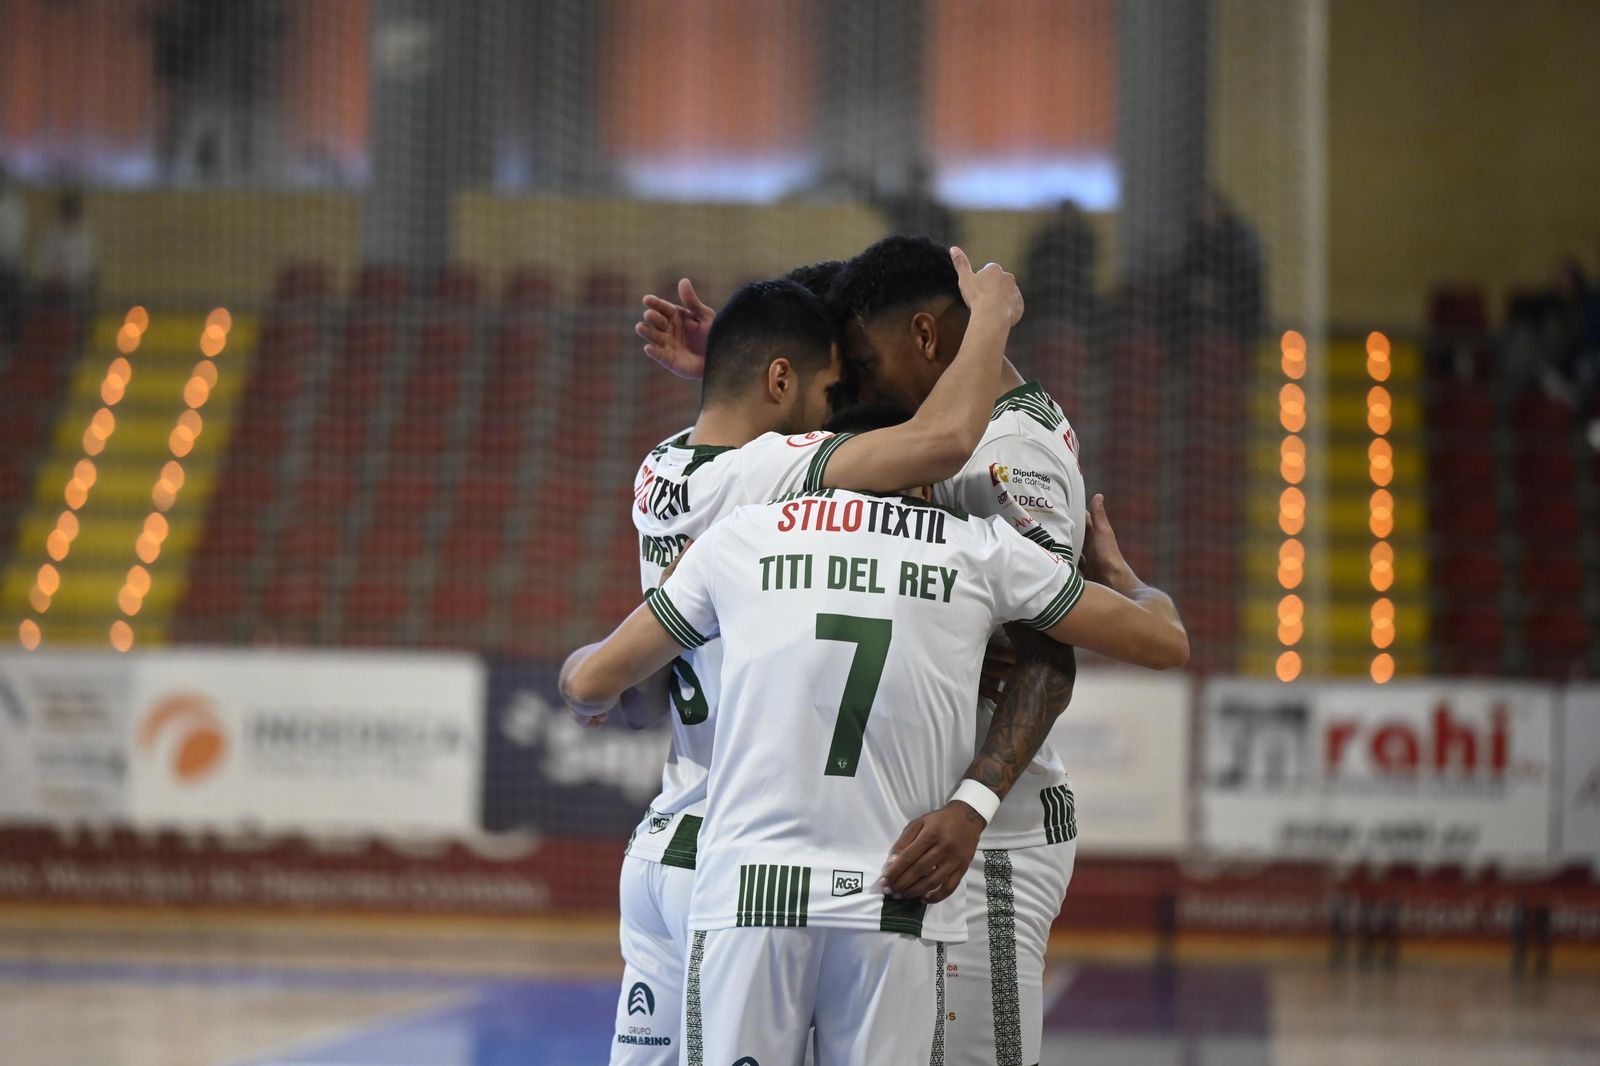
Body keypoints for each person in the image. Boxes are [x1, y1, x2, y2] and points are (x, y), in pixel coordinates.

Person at [637, 234, 1100, 1066]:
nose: (852, 389)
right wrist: (751, 371)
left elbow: (1045, 659)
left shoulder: (1007, 450)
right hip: (900, 844)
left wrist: (975, 807)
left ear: (926, 339)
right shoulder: (926, 432)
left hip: (985, 838)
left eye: (856, 364)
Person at [560, 475, 1185, 1064]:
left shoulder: (743, 534)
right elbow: (1163, 641)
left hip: (751, 893)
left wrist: (623, 640)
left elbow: (592, 685)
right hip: (893, 895)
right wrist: (1127, 582)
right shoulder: (978, 547)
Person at [1022, 198, 1097, 332]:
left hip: (1076, 294)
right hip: (1043, 293)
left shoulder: (1083, 239)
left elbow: (1087, 266)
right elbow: (1030, 263)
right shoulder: (1045, 238)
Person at [33, 191, 97, 311]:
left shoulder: (85, 236)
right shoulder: (51, 234)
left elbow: (90, 268)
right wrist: (55, 278)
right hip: (52, 289)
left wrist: (71, 279)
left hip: (77, 289)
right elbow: (42, 265)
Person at [0, 165, 26, 348]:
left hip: (9, 268)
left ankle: (11, 346)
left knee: (11, 313)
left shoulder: (14, 206)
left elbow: (15, 239)